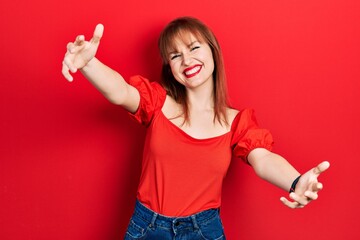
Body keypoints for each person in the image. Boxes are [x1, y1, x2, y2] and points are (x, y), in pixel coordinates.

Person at [62, 17, 330, 240]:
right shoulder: (157, 102)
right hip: (147, 227)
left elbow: (263, 160)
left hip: (202, 231)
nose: (186, 60)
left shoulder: (237, 122)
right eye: (175, 55)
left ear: (212, 50)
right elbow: (120, 92)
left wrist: (295, 181)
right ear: (170, 67)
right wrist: (89, 64)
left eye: (194, 48)